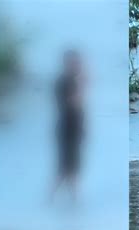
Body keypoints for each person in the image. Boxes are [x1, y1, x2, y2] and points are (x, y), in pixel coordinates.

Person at [51, 49, 85, 202]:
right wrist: (81, 87)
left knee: (70, 168)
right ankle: (52, 200)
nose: (78, 65)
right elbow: (72, 103)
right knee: (66, 168)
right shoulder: (66, 81)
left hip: (70, 129)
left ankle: (74, 202)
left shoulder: (67, 80)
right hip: (67, 129)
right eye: (75, 62)